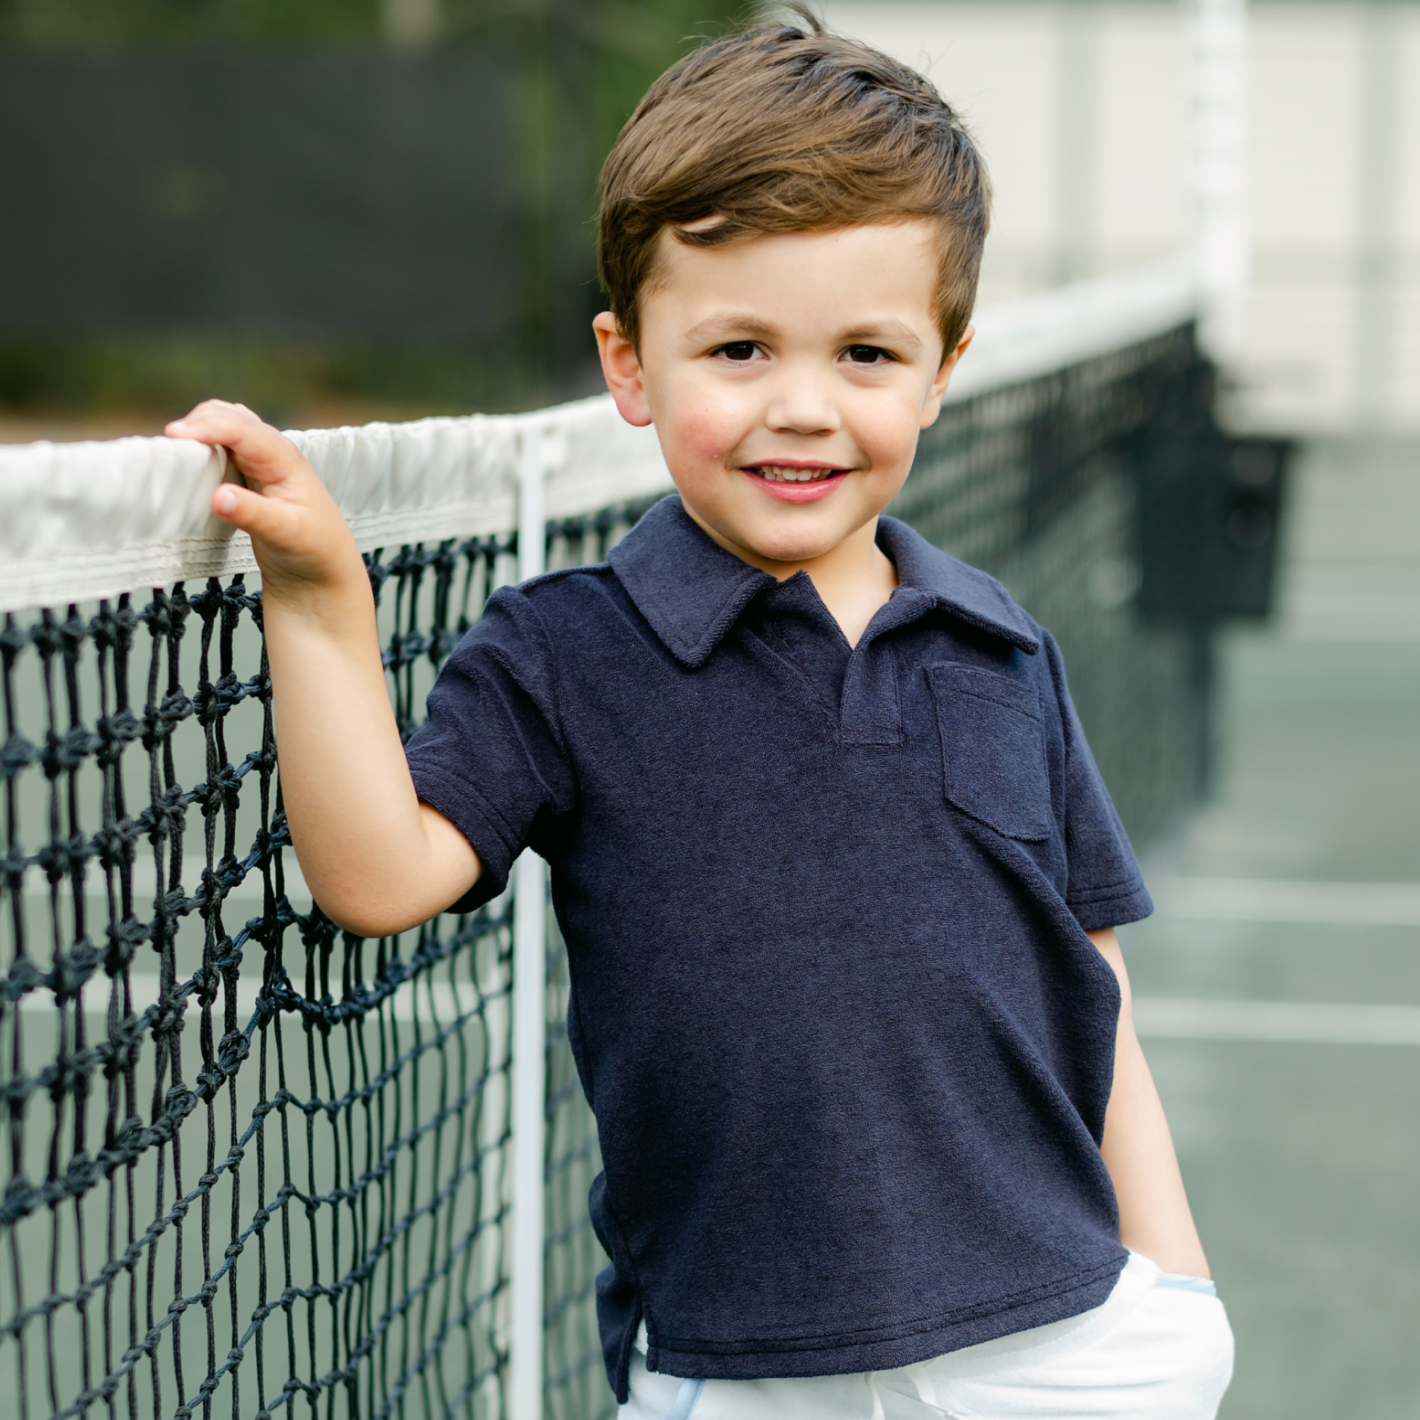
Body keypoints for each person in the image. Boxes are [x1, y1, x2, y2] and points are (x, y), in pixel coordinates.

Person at [166, 11, 1234, 1418]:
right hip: (738, 1369)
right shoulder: (563, 655)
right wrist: (319, 606)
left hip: (1065, 1337)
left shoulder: (1001, 644)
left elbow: (1087, 980)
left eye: (865, 353)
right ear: (629, 364)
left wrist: (1177, 1294)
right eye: (738, 350)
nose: (804, 407)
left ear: (942, 369)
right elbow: (375, 877)